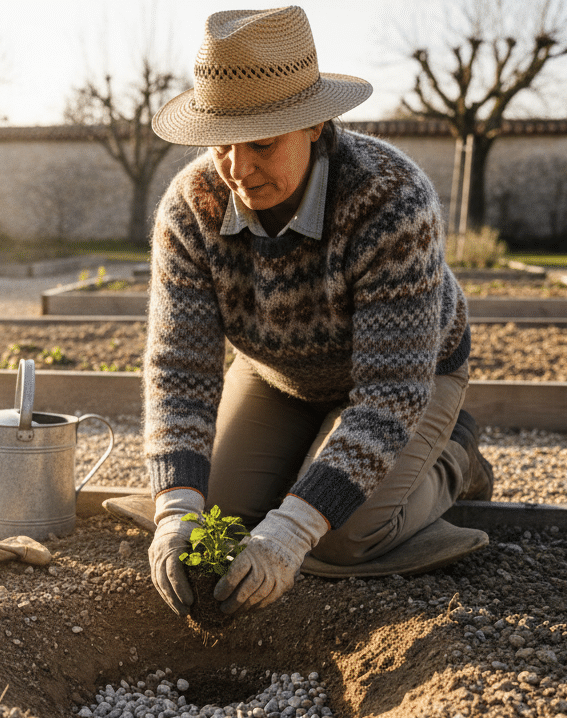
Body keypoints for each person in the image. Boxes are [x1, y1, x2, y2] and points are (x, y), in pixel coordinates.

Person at [142, 6, 494, 619]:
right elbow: (180, 373)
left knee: (340, 538)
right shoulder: (191, 209)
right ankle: (309, 453)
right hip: (278, 375)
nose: (238, 169)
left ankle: (456, 455)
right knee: (217, 515)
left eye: (261, 143)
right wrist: (174, 510)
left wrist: (294, 529)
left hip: (409, 380)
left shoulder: (391, 201)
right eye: (222, 144)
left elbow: (388, 396)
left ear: (315, 125)